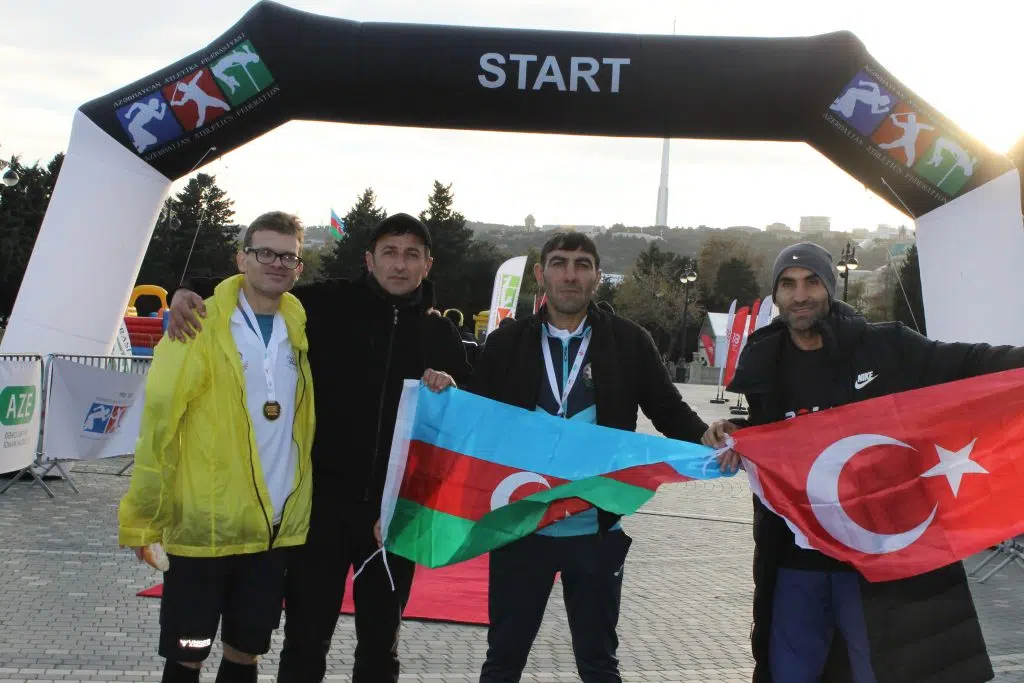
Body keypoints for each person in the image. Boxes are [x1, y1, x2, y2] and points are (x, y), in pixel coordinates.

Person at [166, 213, 471, 683]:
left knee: (380, 645)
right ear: (369, 259)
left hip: (393, 516)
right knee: (306, 640)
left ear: (427, 265)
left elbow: (461, 424)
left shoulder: (441, 335)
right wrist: (187, 289)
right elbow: (259, 283)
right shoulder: (327, 304)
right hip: (320, 509)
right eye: (390, 253)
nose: (400, 264)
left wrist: (452, 388)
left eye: (412, 255)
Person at [704, 241, 1024, 683]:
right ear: (776, 295)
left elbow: (968, 362)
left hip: (871, 561)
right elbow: (772, 432)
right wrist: (737, 433)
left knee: (877, 670)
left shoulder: (884, 345)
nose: (801, 295)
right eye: (788, 284)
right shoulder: (765, 359)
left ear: (830, 287)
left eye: (812, 282)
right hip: (795, 561)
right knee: (788, 672)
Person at [470, 232, 709, 683]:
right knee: (503, 659)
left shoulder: (628, 341)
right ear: (541, 274)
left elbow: (667, 408)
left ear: (597, 276)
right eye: (559, 263)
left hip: (595, 530)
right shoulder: (508, 341)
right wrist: (443, 393)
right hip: (521, 529)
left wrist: (706, 435)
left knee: (599, 664)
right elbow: (475, 417)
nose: (570, 274)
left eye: (582, 265)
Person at [119, 211, 316, 683]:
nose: (276, 263)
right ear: (241, 258)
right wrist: (144, 518)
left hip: (271, 532)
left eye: (287, 256)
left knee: (245, 653)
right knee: (188, 656)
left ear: (299, 268)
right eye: (264, 252)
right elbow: (158, 429)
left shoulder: (300, 328)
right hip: (204, 530)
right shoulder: (197, 324)